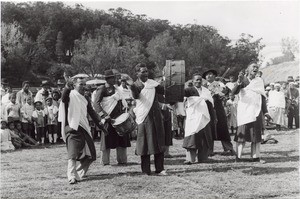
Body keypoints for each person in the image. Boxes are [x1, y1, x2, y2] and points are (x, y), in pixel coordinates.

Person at [58, 78, 106, 184]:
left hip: (84, 128)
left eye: (85, 84)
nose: (84, 86)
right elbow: (63, 98)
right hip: (72, 127)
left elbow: (92, 113)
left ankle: (78, 173)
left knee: (92, 155)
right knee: (73, 153)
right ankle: (71, 176)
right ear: (74, 85)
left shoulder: (85, 98)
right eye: (81, 84)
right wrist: (66, 88)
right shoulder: (70, 95)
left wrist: (101, 126)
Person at [130, 63, 167, 175]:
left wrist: (167, 80)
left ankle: (160, 169)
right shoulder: (135, 85)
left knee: (159, 142)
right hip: (143, 117)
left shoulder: (152, 84)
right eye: (143, 71)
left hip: (156, 117)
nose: (146, 73)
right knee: (144, 143)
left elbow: (164, 90)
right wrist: (131, 86)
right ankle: (146, 170)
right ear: (137, 73)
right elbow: (135, 96)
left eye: (146, 71)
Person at [232, 63, 272, 163]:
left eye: (256, 67)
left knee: (256, 135)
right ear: (248, 69)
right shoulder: (243, 79)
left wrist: (266, 112)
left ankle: (256, 157)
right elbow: (234, 92)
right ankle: (239, 157)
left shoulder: (259, 81)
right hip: (244, 111)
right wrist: (238, 82)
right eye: (253, 67)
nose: (255, 68)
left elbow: (262, 97)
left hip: (256, 111)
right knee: (242, 134)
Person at [93, 70, 131, 165]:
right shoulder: (102, 89)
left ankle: (122, 160)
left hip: (118, 117)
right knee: (106, 140)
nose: (114, 79)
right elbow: (96, 103)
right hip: (108, 118)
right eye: (112, 78)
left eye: (114, 77)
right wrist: (105, 115)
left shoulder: (116, 89)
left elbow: (120, 101)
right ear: (107, 79)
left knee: (122, 138)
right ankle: (105, 161)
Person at [183, 74, 215, 164]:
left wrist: (213, 117)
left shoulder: (206, 91)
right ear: (193, 81)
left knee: (204, 138)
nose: (199, 81)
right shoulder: (189, 90)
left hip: (204, 117)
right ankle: (190, 159)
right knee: (192, 137)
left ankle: (203, 157)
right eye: (196, 80)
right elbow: (181, 95)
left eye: (200, 80)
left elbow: (211, 105)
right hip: (193, 117)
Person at [202, 69, 235, 156]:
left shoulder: (220, 84)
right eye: (207, 75)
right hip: (208, 109)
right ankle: (209, 150)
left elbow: (225, 92)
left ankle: (228, 148)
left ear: (214, 76)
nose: (209, 76)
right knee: (209, 129)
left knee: (222, 127)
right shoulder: (203, 86)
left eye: (210, 74)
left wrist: (219, 90)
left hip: (218, 108)